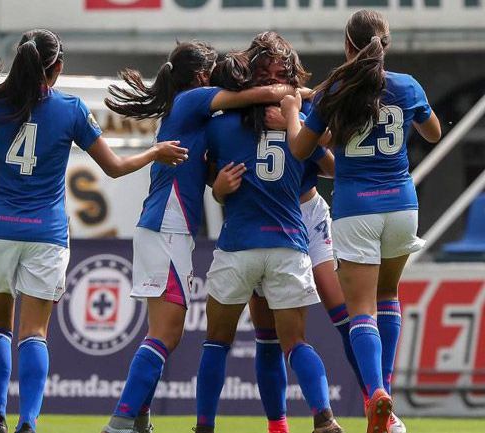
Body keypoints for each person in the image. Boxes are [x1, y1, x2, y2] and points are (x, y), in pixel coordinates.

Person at [0, 29, 187, 433]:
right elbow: (115, 169)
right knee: (34, 333)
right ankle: (28, 422)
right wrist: (155, 150)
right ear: (58, 67)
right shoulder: (70, 109)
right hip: (45, 234)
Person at [101, 41, 303, 433]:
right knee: (167, 333)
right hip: (168, 228)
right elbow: (261, 94)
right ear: (200, 76)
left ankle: (139, 417)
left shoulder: (188, 112)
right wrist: (298, 97)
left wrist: (218, 183)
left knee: (158, 331)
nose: (223, 78)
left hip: (161, 226)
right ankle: (121, 421)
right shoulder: (194, 98)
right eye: (215, 70)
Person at [282, 9, 441, 433]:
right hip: (403, 208)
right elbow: (434, 133)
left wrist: (294, 111)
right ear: (384, 45)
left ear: (348, 45)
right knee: (389, 297)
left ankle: (375, 394)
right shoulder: (407, 86)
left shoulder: (335, 89)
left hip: (357, 210)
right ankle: (385, 404)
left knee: (362, 312)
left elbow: (301, 149)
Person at [244, 31, 395, 433]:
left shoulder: (307, 103)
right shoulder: (237, 112)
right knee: (267, 333)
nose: (274, 82)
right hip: (264, 221)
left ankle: (375, 402)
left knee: (344, 312)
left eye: (282, 73)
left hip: (308, 215)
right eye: (266, 74)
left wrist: (304, 124)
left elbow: (331, 166)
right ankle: (278, 424)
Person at [195, 47, 343, 433]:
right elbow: (331, 169)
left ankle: (205, 426)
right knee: (295, 343)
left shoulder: (220, 125)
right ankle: (324, 417)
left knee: (216, 342)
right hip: (288, 245)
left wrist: (217, 188)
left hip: (238, 245)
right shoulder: (300, 126)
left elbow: (205, 172)